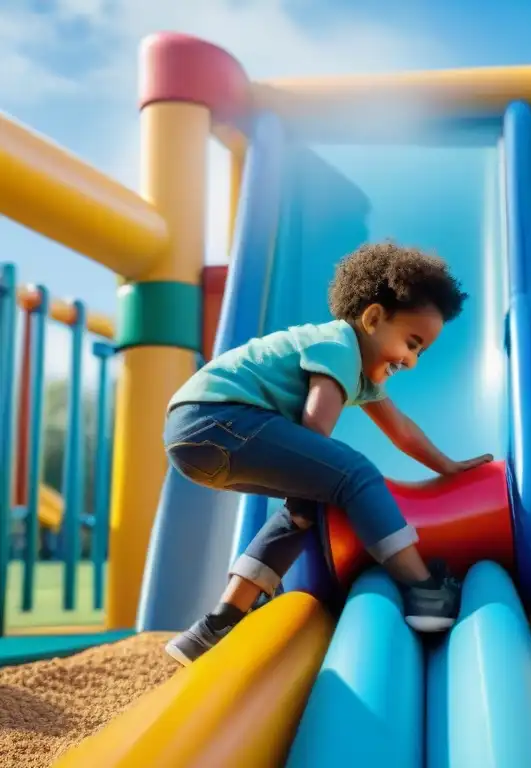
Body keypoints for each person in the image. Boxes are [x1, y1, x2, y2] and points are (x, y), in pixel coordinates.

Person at [161, 242, 492, 666]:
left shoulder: (361, 374)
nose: (411, 361)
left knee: (307, 504)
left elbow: (402, 430)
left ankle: (216, 625)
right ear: (372, 318)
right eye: (411, 343)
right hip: (217, 417)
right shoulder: (338, 343)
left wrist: (447, 466)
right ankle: (423, 585)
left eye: (420, 352)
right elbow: (316, 428)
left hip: (195, 439)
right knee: (352, 472)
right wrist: (336, 476)